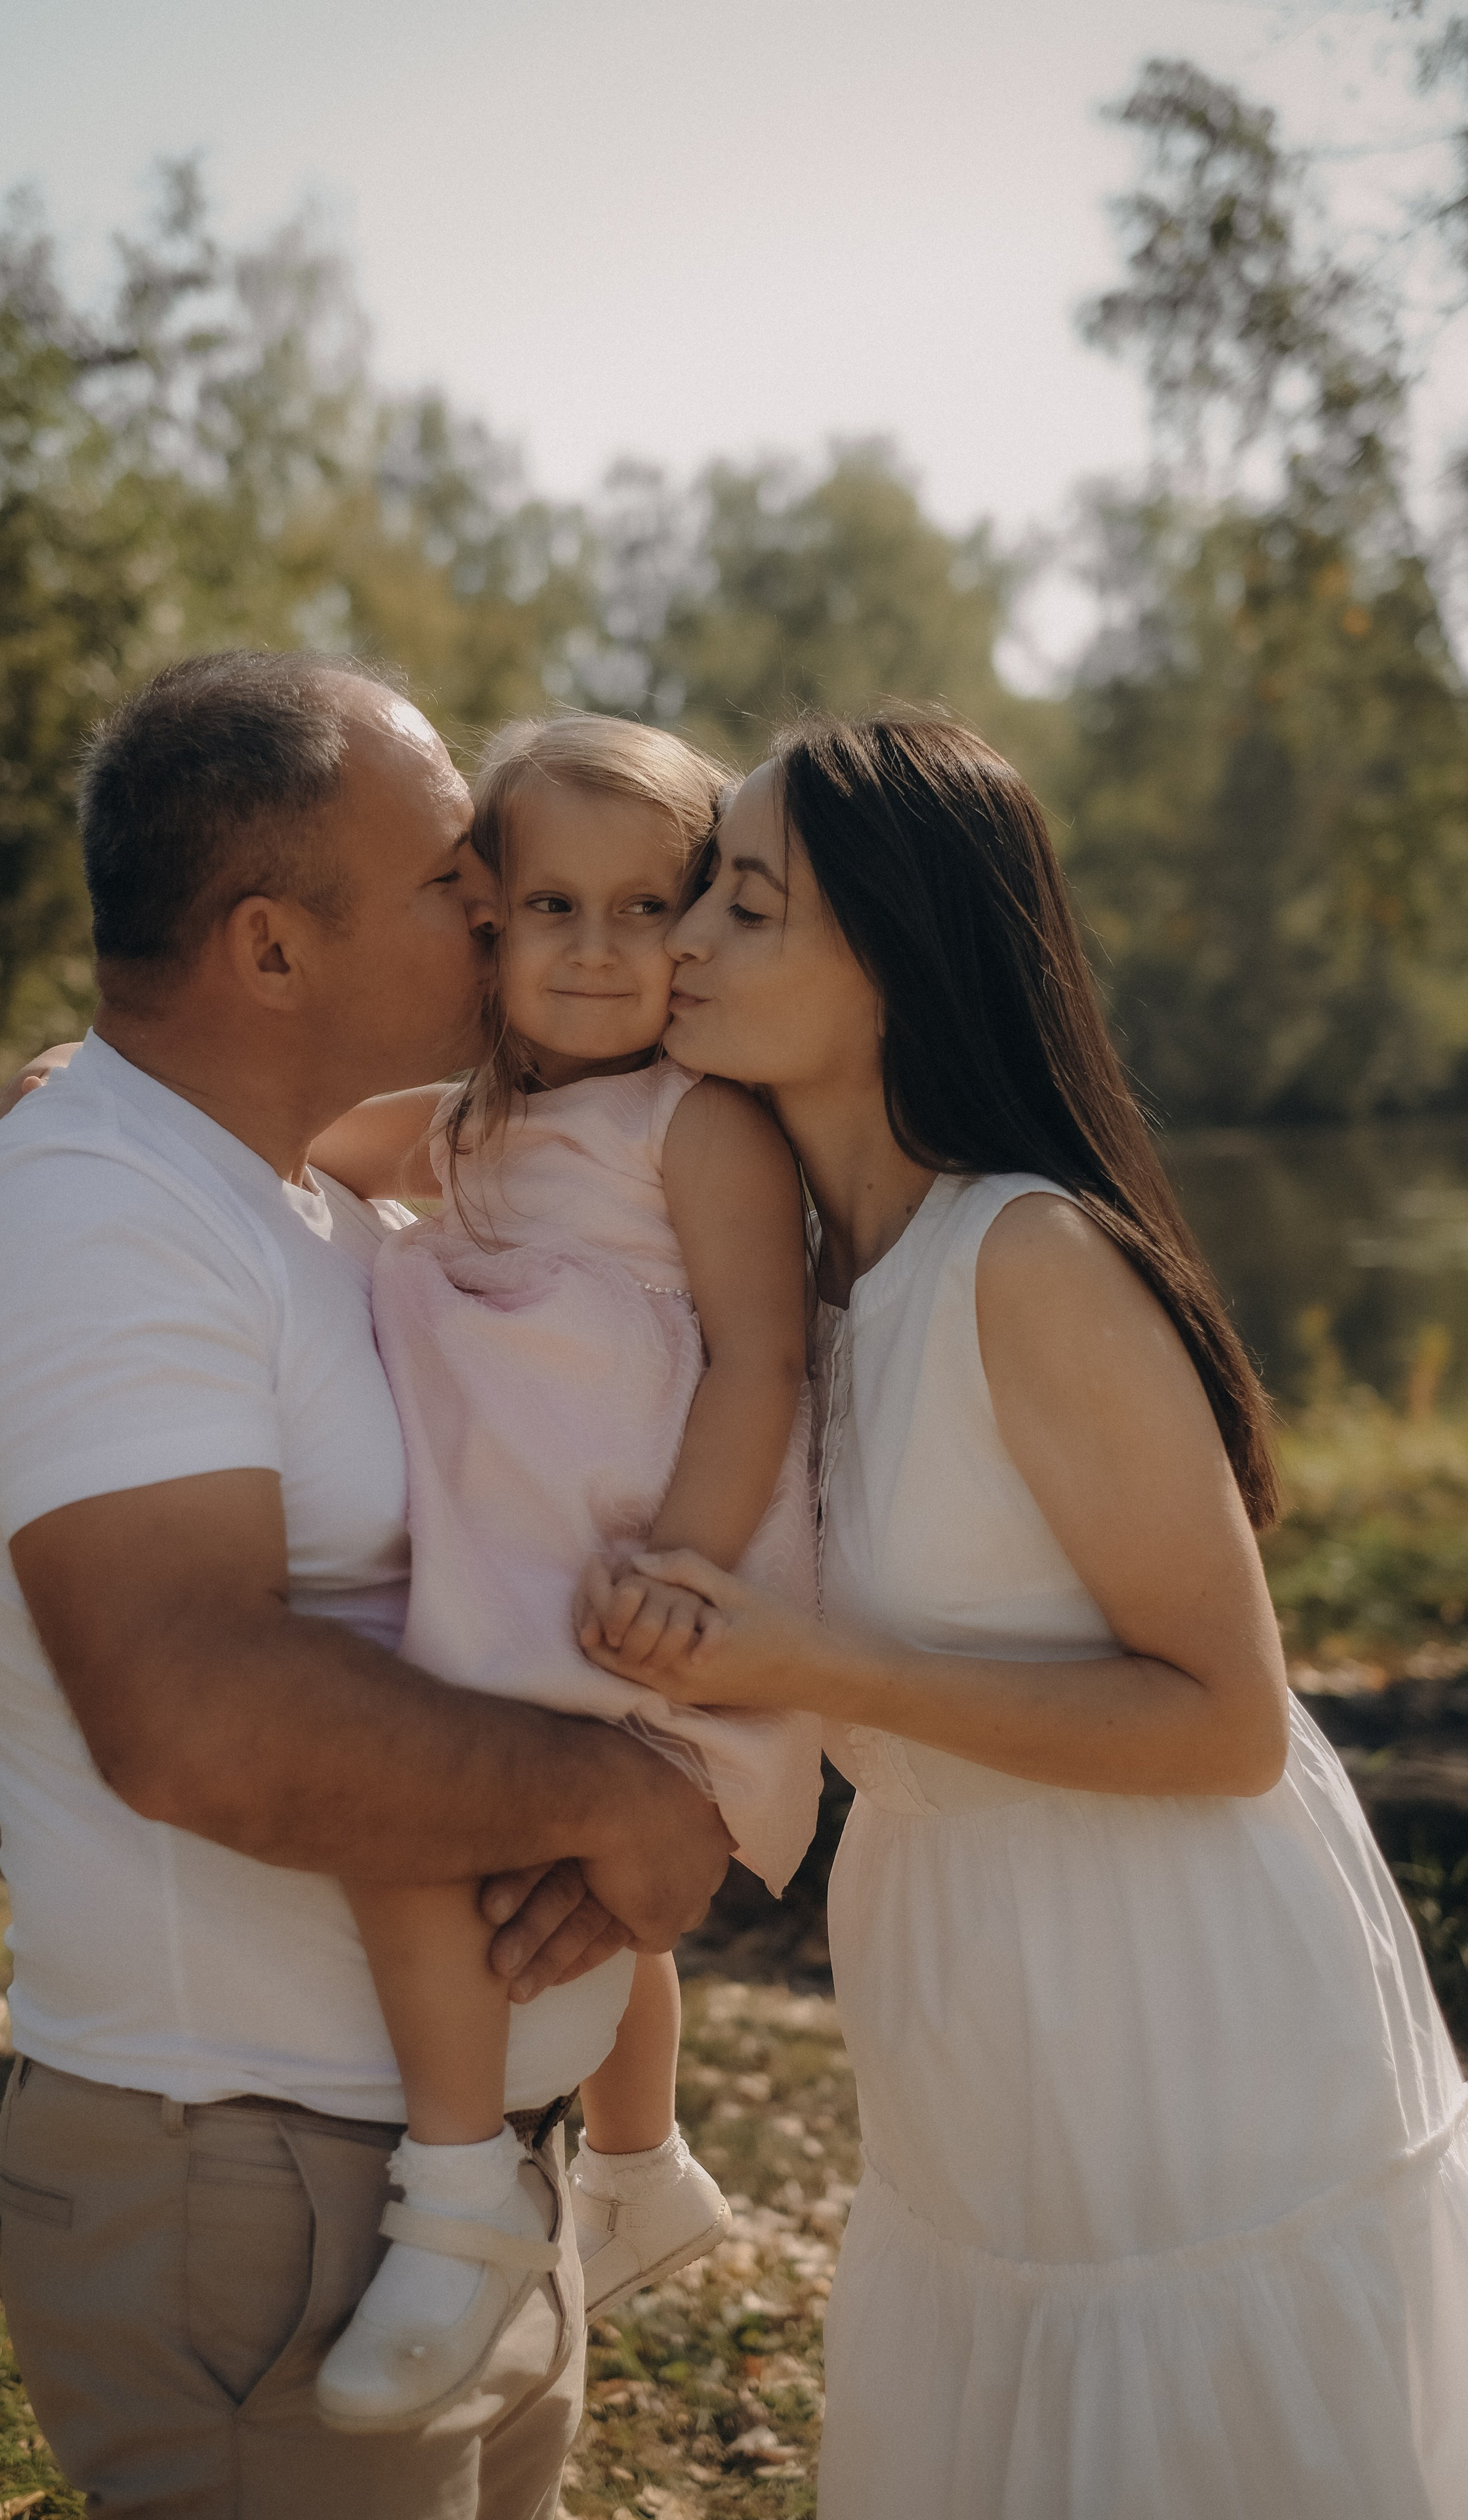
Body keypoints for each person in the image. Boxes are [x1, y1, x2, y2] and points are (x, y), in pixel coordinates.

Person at [578, 713, 1468, 2519]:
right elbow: (477, 1140)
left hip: (1167, 1964)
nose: (680, 947)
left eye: (744, 907)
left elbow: (1223, 1724)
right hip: (958, 1952)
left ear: (901, 959)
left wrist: (809, 1668)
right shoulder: (799, 1282)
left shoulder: (1029, 1260)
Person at [0, 652, 732, 2520]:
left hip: (450, 2183)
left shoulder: (306, 1201)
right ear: (271, 950)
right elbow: (196, 1714)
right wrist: (622, 1805)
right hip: (257, 2188)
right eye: (453, 877)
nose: (498, 906)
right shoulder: (93, 1220)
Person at [299, 715, 822, 2429]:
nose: (598, 949)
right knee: (465, 1824)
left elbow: (761, 1362)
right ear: (488, 925)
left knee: (405, 1824)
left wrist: (686, 1563)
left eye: (646, 905)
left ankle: (458, 2200)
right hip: (508, 1565)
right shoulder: (459, 1121)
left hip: (629, 1578)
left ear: (697, 926)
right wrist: (91, 1083)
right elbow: (284, 1141)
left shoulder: (701, 1126)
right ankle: (640, 2158)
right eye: (551, 908)